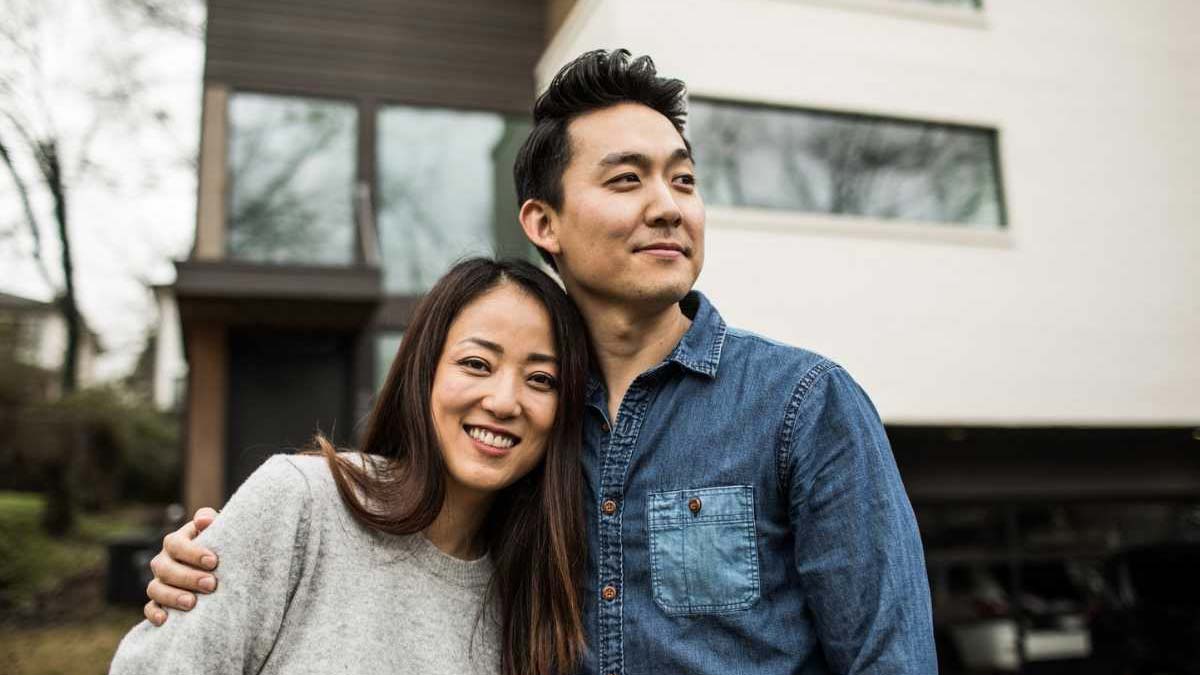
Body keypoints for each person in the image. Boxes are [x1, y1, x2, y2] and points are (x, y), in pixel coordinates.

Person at [143, 50, 938, 673]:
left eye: (684, 180)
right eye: (626, 179)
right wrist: (216, 569)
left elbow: (888, 656)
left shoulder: (803, 403)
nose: (668, 204)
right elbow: (405, 555)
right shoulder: (523, 436)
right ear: (543, 221)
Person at [111, 258, 591, 675]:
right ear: (423, 373)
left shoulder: (541, 597)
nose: (505, 401)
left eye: (541, 379)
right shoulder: (302, 504)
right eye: (477, 364)